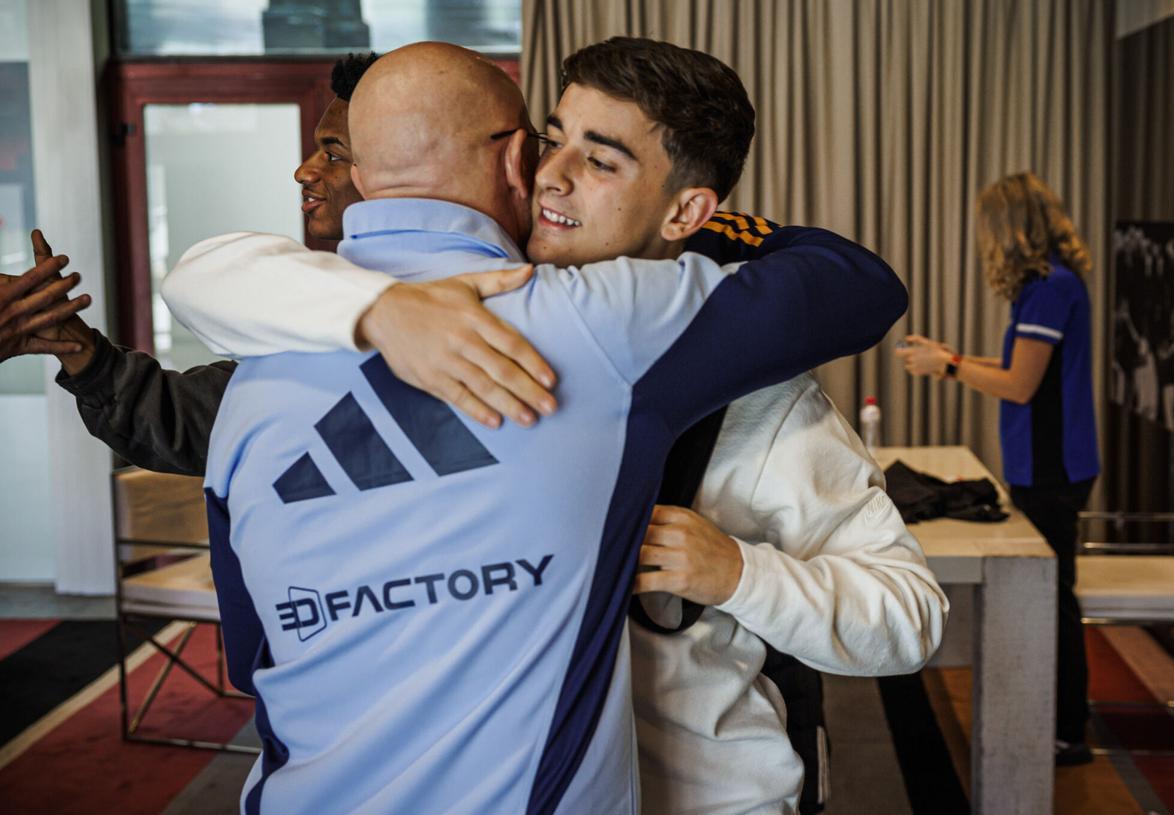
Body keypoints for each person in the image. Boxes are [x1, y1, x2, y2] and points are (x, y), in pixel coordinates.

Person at [167, 38, 945, 814]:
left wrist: (740, 574)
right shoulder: (394, 323)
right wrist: (379, 310)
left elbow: (911, 617)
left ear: (687, 210)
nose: (550, 175)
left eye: (600, 160)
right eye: (551, 138)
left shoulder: (759, 393)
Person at [0, 53, 559, 479]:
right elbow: (188, 419)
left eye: (336, 153)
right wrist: (84, 355)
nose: (304, 171)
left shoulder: (559, 300)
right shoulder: (308, 309)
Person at [895, 170, 1099, 766]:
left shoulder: (1049, 288)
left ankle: (1066, 731)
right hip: (1050, 461)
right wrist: (950, 358)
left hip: (1054, 465)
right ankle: (1065, 720)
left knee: (1054, 595)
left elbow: (1018, 383)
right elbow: (1015, 363)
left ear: (1009, 229)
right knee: (1056, 590)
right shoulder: (1049, 285)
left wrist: (948, 367)